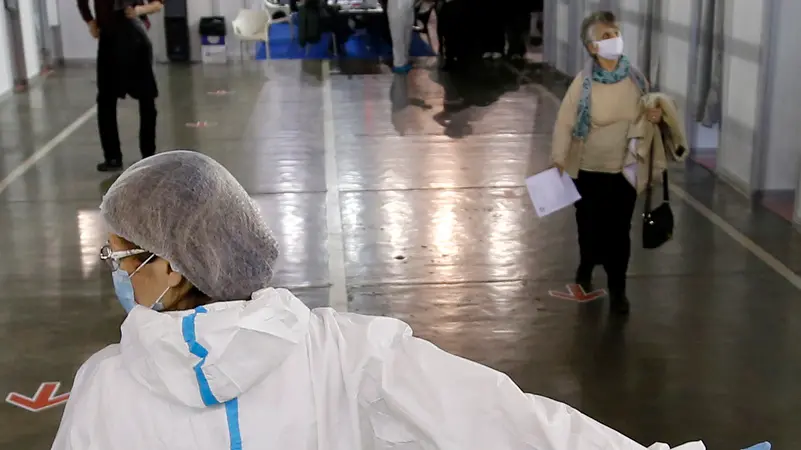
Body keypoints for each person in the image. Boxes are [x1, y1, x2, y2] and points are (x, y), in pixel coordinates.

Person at [51, 151, 703, 449]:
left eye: (118, 255)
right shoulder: (343, 353)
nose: (113, 272)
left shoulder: (106, 391)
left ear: (167, 265)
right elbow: (501, 422)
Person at [550, 11, 664, 314]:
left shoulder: (636, 78)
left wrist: (655, 116)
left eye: (615, 33)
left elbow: (648, 111)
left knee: (619, 230)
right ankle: (586, 265)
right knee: (589, 226)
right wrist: (559, 158)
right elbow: (565, 122)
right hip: (587, 169)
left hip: (623, 170)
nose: (614, 39)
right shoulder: (583, 84)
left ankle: (618, 288)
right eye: (605, 36)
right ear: (592, 48)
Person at [79, 0, 163, 172]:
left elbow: (158, 4)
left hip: (135, 38)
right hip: (109, 40)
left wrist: (140, 9)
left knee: (146, 99)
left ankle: (148, 154)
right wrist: (90, 22)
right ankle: (112, 157)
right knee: (106, 100)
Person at [386, 0, 417, 73]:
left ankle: (405, 60)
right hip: (397, 7)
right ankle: (398, 64)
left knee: (407, 35)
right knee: (398, 36)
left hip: (409, 6)